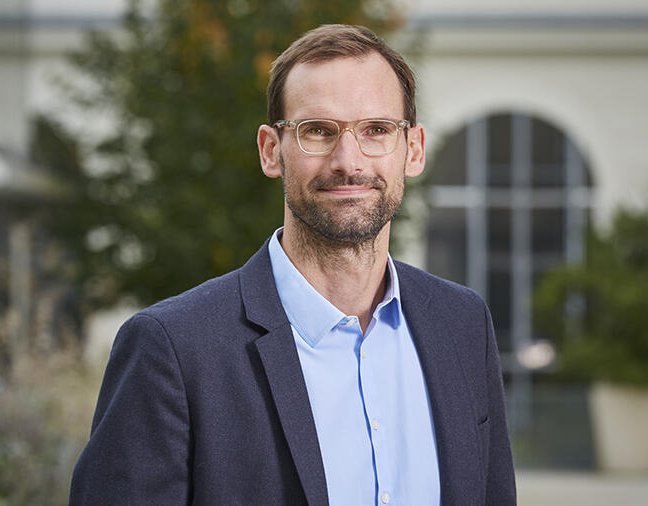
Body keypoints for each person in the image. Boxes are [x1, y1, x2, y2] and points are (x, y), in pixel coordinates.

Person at [70, 24, 515, 505]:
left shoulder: (463, 324)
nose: (349, 160)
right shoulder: (173, 350)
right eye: (318, 131)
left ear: (413, 149)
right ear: (270, 150)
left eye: (377, 130)